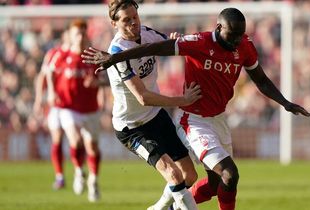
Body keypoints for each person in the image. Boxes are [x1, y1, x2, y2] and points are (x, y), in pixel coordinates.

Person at [82, 7, 310, 210]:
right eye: (232, 35)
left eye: (240, 35)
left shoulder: (244, 46)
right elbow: (156, 52)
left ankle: (167, 208)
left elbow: (261, 79)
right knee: (229, 174)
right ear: (219, 27)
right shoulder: (198, 42)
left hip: (217, 118)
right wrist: (115, 57)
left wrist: (285, 103)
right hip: (191, 119)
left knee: (209, 183)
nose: (235, 41)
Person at [101, 0, 200, 209]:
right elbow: (143, 97)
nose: (133, 23)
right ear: (114, 24)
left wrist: (174, 42)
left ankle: (159, 208)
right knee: (173, 175)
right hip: (132, 128)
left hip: (156, 116)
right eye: (126, 20)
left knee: (189, 175)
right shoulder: (118, 52)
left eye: (135, 17)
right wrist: (182, 100)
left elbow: (170, 46)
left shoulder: (147, 33)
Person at [47, 19, 104, 202]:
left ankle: (93, 180)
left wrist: (97, 83)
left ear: (86, 35)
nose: (79, 37)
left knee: (92, 147)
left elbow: (106, 80)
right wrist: (50, 92)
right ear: (71, 36)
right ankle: (79, 172)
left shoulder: (94, 56)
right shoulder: (62, 55)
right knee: (75, 139)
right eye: (76, 34)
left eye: (82, 33)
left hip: (90, 108)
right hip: (67, 107)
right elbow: (49, 72)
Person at [33, 29, 72, 190]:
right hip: (56, 104)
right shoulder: (54, 53)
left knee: (78, 139)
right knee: (57, 138)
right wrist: (38, 100)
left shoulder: (82, 53)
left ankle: (79, 171)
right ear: (64, 37)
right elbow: (43, 76)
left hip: (75, 104)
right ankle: (60, 176)